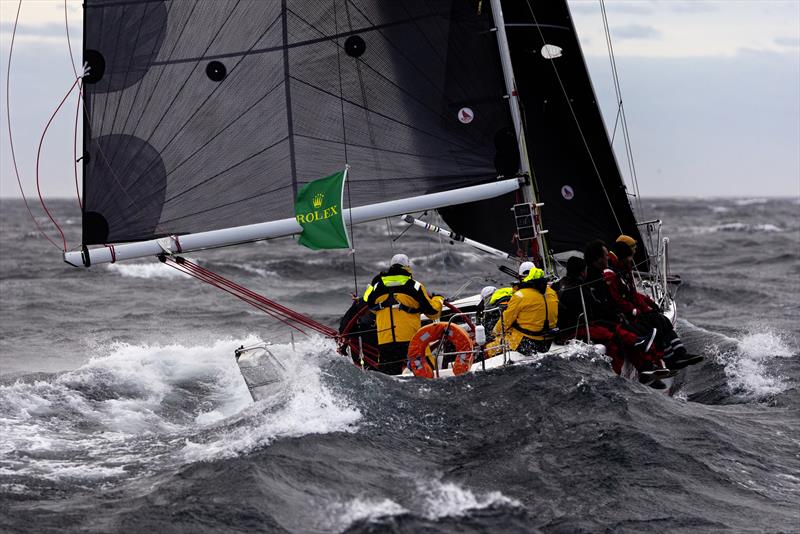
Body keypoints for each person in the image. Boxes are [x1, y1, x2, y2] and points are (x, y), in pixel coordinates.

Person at [583, 240, 669, 387]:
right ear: (597, 259)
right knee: (629, 334)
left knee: (636, 330)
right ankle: (646, 369)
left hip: (608, 317)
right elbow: (601, 304)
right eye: (605, 256)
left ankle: (650, 367)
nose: (607, 258)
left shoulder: (599, 275)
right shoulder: (594, 278)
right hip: (598, 321)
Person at [607, 241, 702, 370]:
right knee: (654, 325)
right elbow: (617, 300)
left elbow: (633, 294)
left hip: (632, 312)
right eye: (630, 256)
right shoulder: (611, 274)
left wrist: (649, 304)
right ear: (623, 257)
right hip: (624, 316)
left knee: (661, 319)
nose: (632, 259)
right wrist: (635, 311)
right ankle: (665, 361)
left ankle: (680, 354)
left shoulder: (623, 271)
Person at [363, 253, 443, 375]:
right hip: (411, 341)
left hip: (385, 343)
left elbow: (371, 307)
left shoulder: (377, 287)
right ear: (407, 267)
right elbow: (433, 313)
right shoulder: (414, 286)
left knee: (388, 380)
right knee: (428, 372)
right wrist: (438, 299)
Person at [493, 261, 559, 355]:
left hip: (528, 342)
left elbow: (505, 322)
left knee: (491, 346)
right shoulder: (552, 292)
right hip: (547, 341)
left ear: (520, 278)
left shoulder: (520, 296)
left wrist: (494, 333)